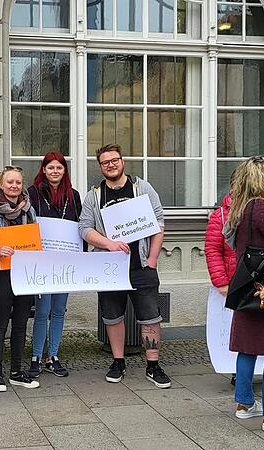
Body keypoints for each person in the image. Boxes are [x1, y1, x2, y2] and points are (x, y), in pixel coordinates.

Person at [78, 144, 171, 388]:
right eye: (105, 162)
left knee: (151, 317)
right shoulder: (94, 196)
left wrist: (152, 259)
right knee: (112, 317)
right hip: (109, 268)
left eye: (114, 160)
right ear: (100, 166)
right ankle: (118, 362)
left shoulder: (142, 188)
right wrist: (108, 244)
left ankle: (153, 366)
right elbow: (84, 228)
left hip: (141, 265)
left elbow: (159, 223)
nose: (111, 165)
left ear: (122, 161)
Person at [223, 156, 264, 434]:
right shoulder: (260, 206)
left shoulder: (239, 206)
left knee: (247, 347)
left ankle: (245, 403)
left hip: (247, 287)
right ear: (262, 180)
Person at [0, 166, 40, 392]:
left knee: (21, 324)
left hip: (24, 274)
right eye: (10, 182)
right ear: (1, 184)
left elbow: (35, 239)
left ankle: (16, 372)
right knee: (0, 324)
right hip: (0, 274)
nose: (14, 186)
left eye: (18, 182)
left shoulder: (29, 211)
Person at [26, 151, 82, 379]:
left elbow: (80, 226)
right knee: (42, 311)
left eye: (59, 167)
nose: (55, 171)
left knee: (58, 311)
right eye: (51, 167)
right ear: (44, 169)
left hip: (64, 262)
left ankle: (53, 356)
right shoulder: (32, 193)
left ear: (64, 170)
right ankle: (36, 356)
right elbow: (26, 224)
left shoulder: (73, 195)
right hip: (42, 262)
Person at [205, 172, 237, 386]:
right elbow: (213, 250)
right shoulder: (222, 216)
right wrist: (221, 282)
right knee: (236, 329)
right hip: (235, 281)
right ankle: (238, 370)